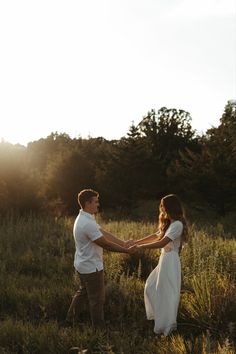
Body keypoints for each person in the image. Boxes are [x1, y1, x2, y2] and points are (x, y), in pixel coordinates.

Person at [66, 188, 135, 328]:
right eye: (96, 202)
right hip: (91, 267)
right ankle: (99, 330)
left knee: (83, 292)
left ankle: (69, 320)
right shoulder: (86, 223)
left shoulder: (85, 218)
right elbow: (104, 243)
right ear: (87, 203)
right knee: (97, 300)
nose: (98, 204)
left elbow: (101, 233)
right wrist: (126, 251)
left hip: (82, 264)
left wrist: (122, 243)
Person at [133, 194, 188, 336]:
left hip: (171, 261)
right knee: (151, 287)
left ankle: (167, 327)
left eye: (163, 205)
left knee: (167, 293)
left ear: (169, 207)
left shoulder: (178, 225)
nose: (161, 208)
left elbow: (162, 243)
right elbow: (156, 235)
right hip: (164, 260)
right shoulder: (170, 223)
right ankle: (159, 318)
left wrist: (141, 248)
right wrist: (136, 242)